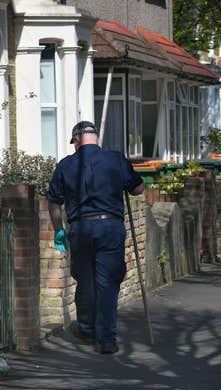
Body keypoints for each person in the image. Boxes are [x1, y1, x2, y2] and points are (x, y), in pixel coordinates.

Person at [46, 121, 145, 354]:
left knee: (85, 279)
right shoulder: (116, 159)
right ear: (96, 138)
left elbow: (53, 202)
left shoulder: (65, 165)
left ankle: (87, 329)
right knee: (107, 283)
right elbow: (139, 189)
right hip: (110, 227)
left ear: (77, 140)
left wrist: (58, 229)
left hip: (80, 229)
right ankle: (107, 339)